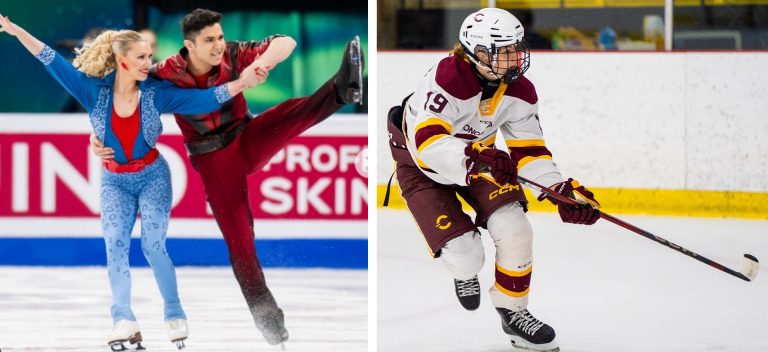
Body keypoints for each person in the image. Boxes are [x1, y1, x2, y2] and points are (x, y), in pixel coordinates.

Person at [90, 8, 364, 347]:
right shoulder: (164, 74)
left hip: (246, 137)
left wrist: (258, 65)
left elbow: (286, 42)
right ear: (189, 45)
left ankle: (342, 89)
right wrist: (99, 136)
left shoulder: (234, 54)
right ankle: (267, 318)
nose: (218, 45)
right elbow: (121, 95)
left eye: (219, 37)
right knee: (240, 240)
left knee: (284, 112)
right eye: (209, 40)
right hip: (213, 160)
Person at [0, 15, 266, 351]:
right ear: (121, 61)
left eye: (150, 56)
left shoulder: (156, 93)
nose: (149, 63)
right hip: (115, 182)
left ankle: (174, 313)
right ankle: (122, 318)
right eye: (142, 58)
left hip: (153, 177)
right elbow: (49, 58)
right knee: (115, 248)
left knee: (153, 247)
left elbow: (204, 100)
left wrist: (241, 83)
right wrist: (16, 29)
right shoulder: (91, 90)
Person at [386, 8, 599, 352]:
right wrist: (473, 160)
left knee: (515, 228)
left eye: (517, 47)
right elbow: (428, 143)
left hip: (478, 159)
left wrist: (560, 190)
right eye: (505, 50)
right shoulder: (448, 78)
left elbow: (529, 152)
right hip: (422, 164)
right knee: (468, 255)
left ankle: (513, 313)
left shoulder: (520, 91)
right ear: (478, 53)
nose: (515, 56)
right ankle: (463, 271)